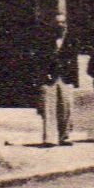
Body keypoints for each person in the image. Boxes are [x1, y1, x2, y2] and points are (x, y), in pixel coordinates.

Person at [39, 18, 79, 146]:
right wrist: (44, 76)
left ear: (66, 25)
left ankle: (65, 137)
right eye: (57, 23)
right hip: (49, 78)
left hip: (66, 78)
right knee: (49, 108)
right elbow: (39, 60)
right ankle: (50, 138)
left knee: (66, 108)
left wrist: (74, 80)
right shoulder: (46, 40)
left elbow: (74, 61)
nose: (60, 25)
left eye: (62, 23)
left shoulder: (71, 41)